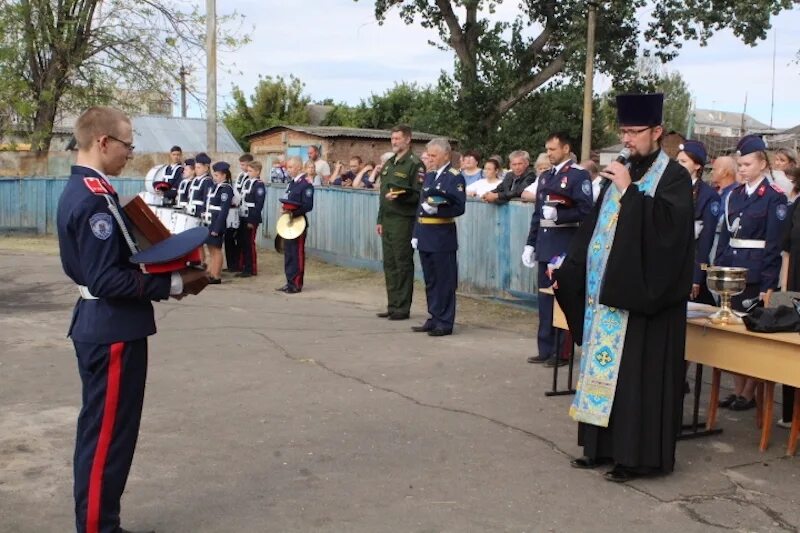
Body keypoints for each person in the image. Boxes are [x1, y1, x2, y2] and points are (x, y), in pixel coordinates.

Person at [56, 106, 202, 533]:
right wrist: (175, 285)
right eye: (128, 145)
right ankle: (99, 527)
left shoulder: (86, 190)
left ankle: (101, 521)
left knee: (107, 432)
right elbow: (106, 278)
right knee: (106, 438)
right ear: (103, 142)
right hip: (111, 327)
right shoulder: (92, 199)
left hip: (107, 325)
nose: (130, 153)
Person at [554, 93, 695, 482]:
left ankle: (637, 458)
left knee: (637, 381)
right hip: (608, 295)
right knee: (605, 374)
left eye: (635, 132)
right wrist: (573, 269)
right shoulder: (619, 170)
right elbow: (595, 227)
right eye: (624, 131)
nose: (628, 139)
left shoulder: (674, 177)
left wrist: (631, 192)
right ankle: (600, 448)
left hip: (646, 300)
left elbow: (669, 236)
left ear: (657, 132)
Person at [715, 134, 789, 411]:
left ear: (762, 164)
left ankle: (749, 392)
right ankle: (738, 390)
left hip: (757, 273)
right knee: (734, 334)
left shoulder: (773, 198)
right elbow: (725, 237)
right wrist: (720, 267)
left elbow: (773, 245)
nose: (742, 169)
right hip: (732, 271)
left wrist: (768, 284)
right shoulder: (733, 194)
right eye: (739, 164)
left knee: (754, 335)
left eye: (746, 164)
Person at [522, 132, 593, 367]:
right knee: (544, 300)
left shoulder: (577, 176)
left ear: (565, 149)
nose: (549, 153)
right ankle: (545, 348)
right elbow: (537, 215)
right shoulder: (545, 177)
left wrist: (560, 215)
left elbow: (586, 211)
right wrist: (530, 243)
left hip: (564, 246)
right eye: (547, 149)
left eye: (553, 149)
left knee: (562, 301)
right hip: (545, 244)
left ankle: (562, 352)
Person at [410, 138, 467, 337]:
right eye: (429, 155)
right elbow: (421, 205)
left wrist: (438, 210)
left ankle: (445, 321)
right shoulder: (430, 175)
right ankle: (434, 316)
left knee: (445, 280)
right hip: (425, 234)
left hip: (442, 235)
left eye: (434, 156)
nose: (430, 159)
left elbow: (459, 207)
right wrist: (416, 232)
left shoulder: (454, 177)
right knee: (431, 280)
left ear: (446, 155)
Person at [376, 125, 425, 320]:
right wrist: (379, 219)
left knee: (402, 264)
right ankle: (392, 304)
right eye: (393, 138)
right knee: (389, 264)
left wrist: (400, 197)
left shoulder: (414, 164)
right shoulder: (389, 163)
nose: (394, 142)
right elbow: (383, 194)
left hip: (403, 220)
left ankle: (402, 307)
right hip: (387, 219)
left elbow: (418, 195)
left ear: (408, 140)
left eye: (398, 138)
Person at [676, 140, 718, 305]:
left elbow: (706, 240)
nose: (678, 165)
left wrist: (697, 277)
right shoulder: (670, 189)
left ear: (697, 166)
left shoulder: (708, 196)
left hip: (690, 264)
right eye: (677, 161)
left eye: (683, 162)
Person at [778, 173, 800, 427]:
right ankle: (790, 414)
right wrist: (784, 292)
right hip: (795, 287)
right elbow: (786, 252)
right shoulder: (796, 206)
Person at [277, 156, 314, 294]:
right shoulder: (292, 183)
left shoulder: (306, 184)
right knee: (288, 253)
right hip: (288, 222)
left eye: (291, 167)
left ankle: (297, 283)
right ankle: (289, 281)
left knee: (297, 253)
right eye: (288, 167)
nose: (288, 170)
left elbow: (308, 205)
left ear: (299, 167)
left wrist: (293, 211)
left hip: (298, 221)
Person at [203, 162, 234, 284]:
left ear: (224, 175)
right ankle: (210, 272)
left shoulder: (226, 189)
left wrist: (217, 227)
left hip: (217, 222)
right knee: (210, 249)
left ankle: (216, 275)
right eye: (214, 175)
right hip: (209, 220)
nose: (214, 177)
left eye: (216, 175)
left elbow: (223, 211)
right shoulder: (216, 187)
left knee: (216, 250)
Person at [237, 161, 267, 278]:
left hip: (251, 217)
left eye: (250, 171)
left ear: (257, 172)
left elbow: (259, 204)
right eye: (247, 170)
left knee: (249, 243)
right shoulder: (247, 182)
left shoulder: (259, 185)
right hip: (243, 215)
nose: (248, 173)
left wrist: (252, 220)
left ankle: (251, 268)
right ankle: (244, 266)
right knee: (243, 242)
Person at [224, 154, 253, 273]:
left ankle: (247, 267)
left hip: (245, 211)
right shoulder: (241, 175)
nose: (242, 167)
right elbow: (236, 189)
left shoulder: (251, 178)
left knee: (244, 241)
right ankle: (233, 264)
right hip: (236, 210)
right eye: (241, 164)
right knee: (230, 238)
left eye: (244, 164)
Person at [187, 153, 213, 220]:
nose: (196, 169)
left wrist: (202, 212)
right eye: (195, 167)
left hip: (199, 213)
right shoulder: (195, 180)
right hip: (191, 211)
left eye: (199, 167)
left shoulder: (207, 181)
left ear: (206, 168)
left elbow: (206, 199)